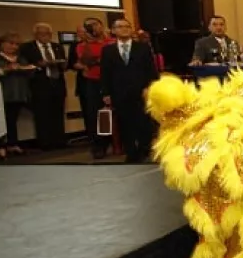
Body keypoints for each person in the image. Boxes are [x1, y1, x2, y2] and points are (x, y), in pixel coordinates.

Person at [101, 19, 161, 163]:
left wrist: (150, 87)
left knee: (143, 122)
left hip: (141, 91)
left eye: (127, 26)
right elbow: (105, 73)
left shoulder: (142, 47)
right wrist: (106, 93)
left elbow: (151, 70)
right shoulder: (108, 50)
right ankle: (131, 152)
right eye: (120, 27)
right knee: (125, 123)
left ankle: (144, 149)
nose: (124, 29)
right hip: (119, 92)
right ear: (113, 31)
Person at [0, 34, 34, 159]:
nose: (13, 46)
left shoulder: (21, 58)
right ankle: (0, 146)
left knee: (13, 119)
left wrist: (26, 69)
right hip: (0, 93)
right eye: (11, 43)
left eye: (16, 44)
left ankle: (12, 144)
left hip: (18, 93)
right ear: (1, 43)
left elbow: (29, 72)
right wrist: (4, 70)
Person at [18, 23, 68, 150]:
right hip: (40, 84)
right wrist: (39, 65)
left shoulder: (57, 47)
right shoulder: (27, 48)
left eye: (48, 34)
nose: (45, 36)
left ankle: (60, 141)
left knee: (58, 112)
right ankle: (45, 143)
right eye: (42, 33)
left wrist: (62, 64)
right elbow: (23, 65)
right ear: (35, 35)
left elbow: (64, 64)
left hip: (57, 83)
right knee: (42, 114)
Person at [72, 19, 111, 158]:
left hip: (112, 81)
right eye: (90, 26)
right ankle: (99, 145)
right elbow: (86, 62)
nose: (94, 27)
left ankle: (114, 142)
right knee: (97, 114)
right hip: (94, 82)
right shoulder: (82, 46)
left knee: (112, 113)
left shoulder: (111, 42)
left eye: (96, 24)